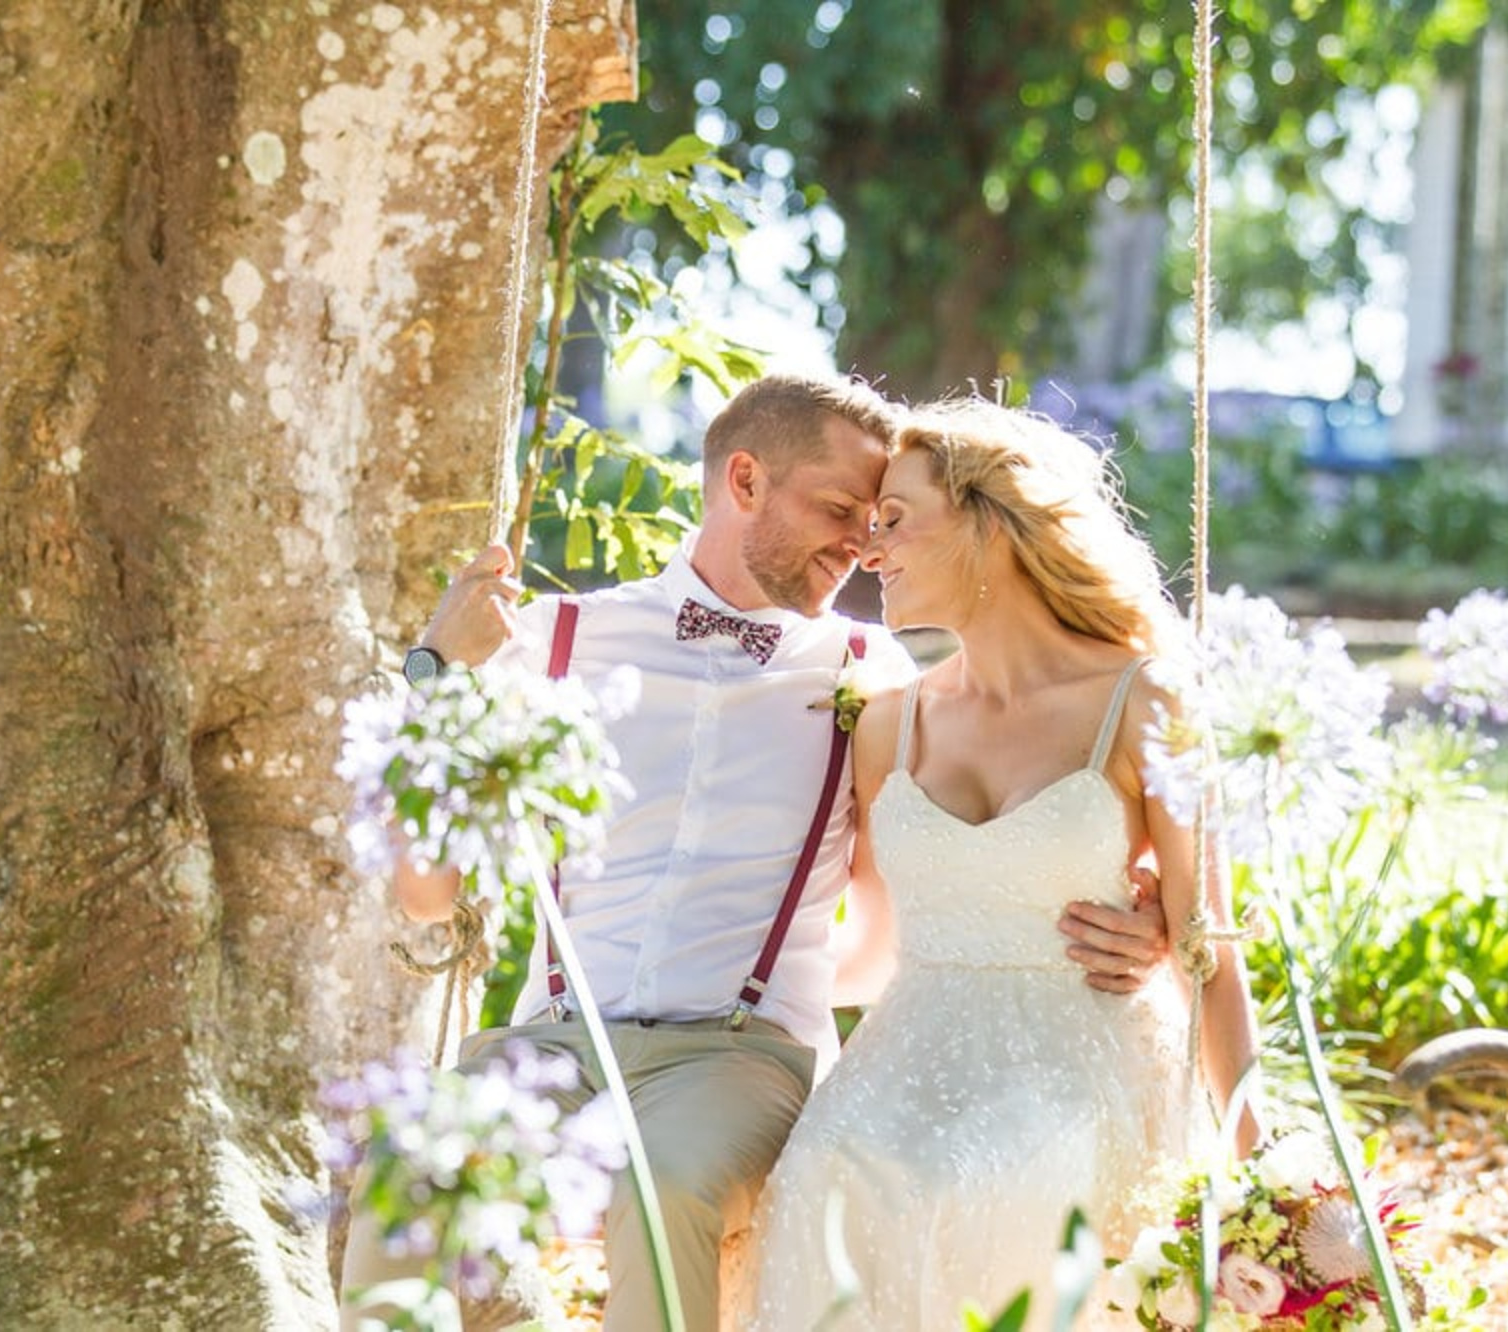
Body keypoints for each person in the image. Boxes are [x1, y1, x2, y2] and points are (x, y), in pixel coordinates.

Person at [340, 375, 1171, 1332]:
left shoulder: (873, 679)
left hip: (737, 1056)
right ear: (744, 481)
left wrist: (1138, 907)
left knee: (667, 1191)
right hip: (553, 1044)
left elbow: (977, 850)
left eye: (879, 519)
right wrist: (436, 677)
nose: (865, 542)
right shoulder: (555, 641)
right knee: (408, 1165)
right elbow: (425, 895)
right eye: (838, 508)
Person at [740, 398, 1261, 1330]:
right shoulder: (889, 720)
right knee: (826, 1167)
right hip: (909, 1053)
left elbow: (1207, 947)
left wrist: (1261, 1167)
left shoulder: (1147, 703)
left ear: (991, 522)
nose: (869, 548)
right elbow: (867, 950)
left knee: (992, 1169)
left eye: (893, 520)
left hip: (1081, 1063)